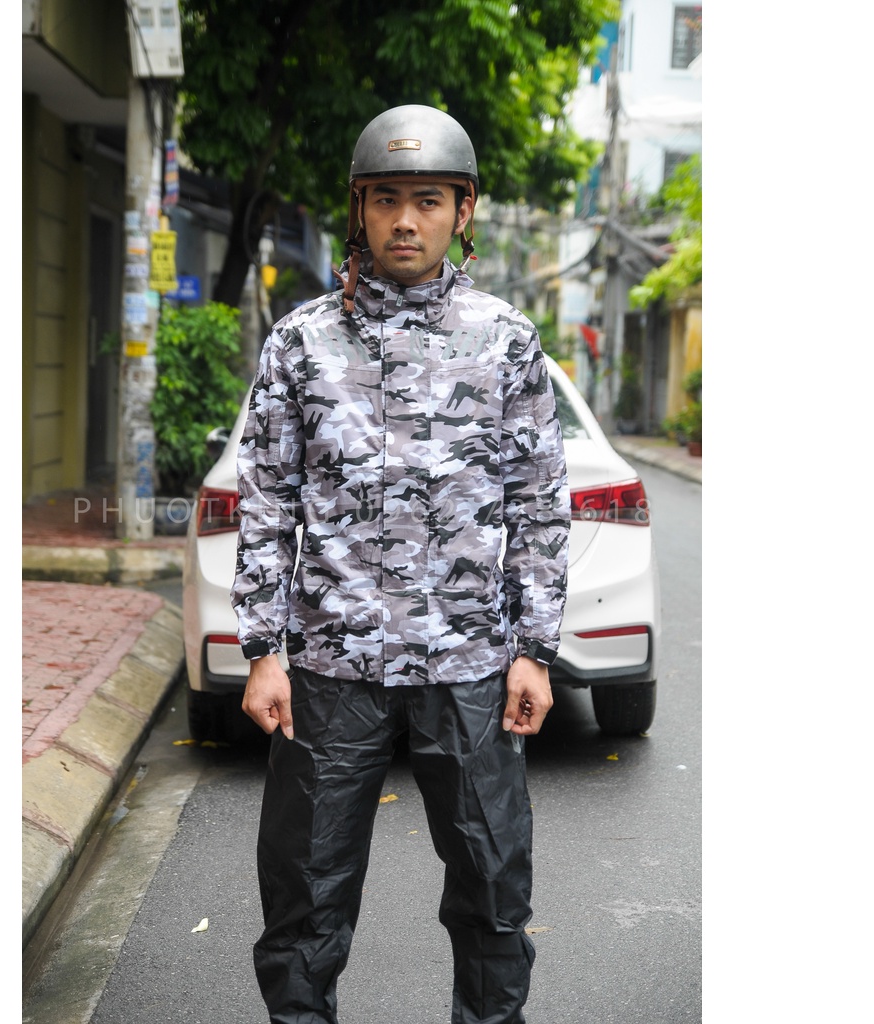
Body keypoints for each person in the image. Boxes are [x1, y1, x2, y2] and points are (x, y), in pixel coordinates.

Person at [231, 104, 571, 1024]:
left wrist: (534, 649)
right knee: (303, 899)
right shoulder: (302, 342)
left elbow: (538, 502)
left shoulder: (506, 340)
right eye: (387, 199)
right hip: (329, 667)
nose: (406, 221)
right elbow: (266, 500)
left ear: (464, 210)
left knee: (493, 889)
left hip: (468, 665)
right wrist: (263, 648)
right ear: (360, 208)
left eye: (429, 200)